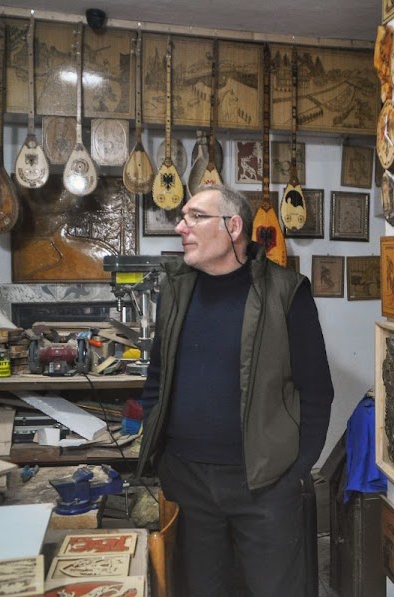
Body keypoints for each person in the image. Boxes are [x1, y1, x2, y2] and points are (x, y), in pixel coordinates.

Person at [136, 184, 335, 596]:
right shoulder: (175, 291)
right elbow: (158, 374)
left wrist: (294, 472)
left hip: (262, 484)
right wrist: (160, 454)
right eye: (183, 217)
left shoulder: (287, 293)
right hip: (186, 481)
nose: (180, 227)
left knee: (273, 589)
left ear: (233, 226)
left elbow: (316, 391)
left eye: (195, 217)